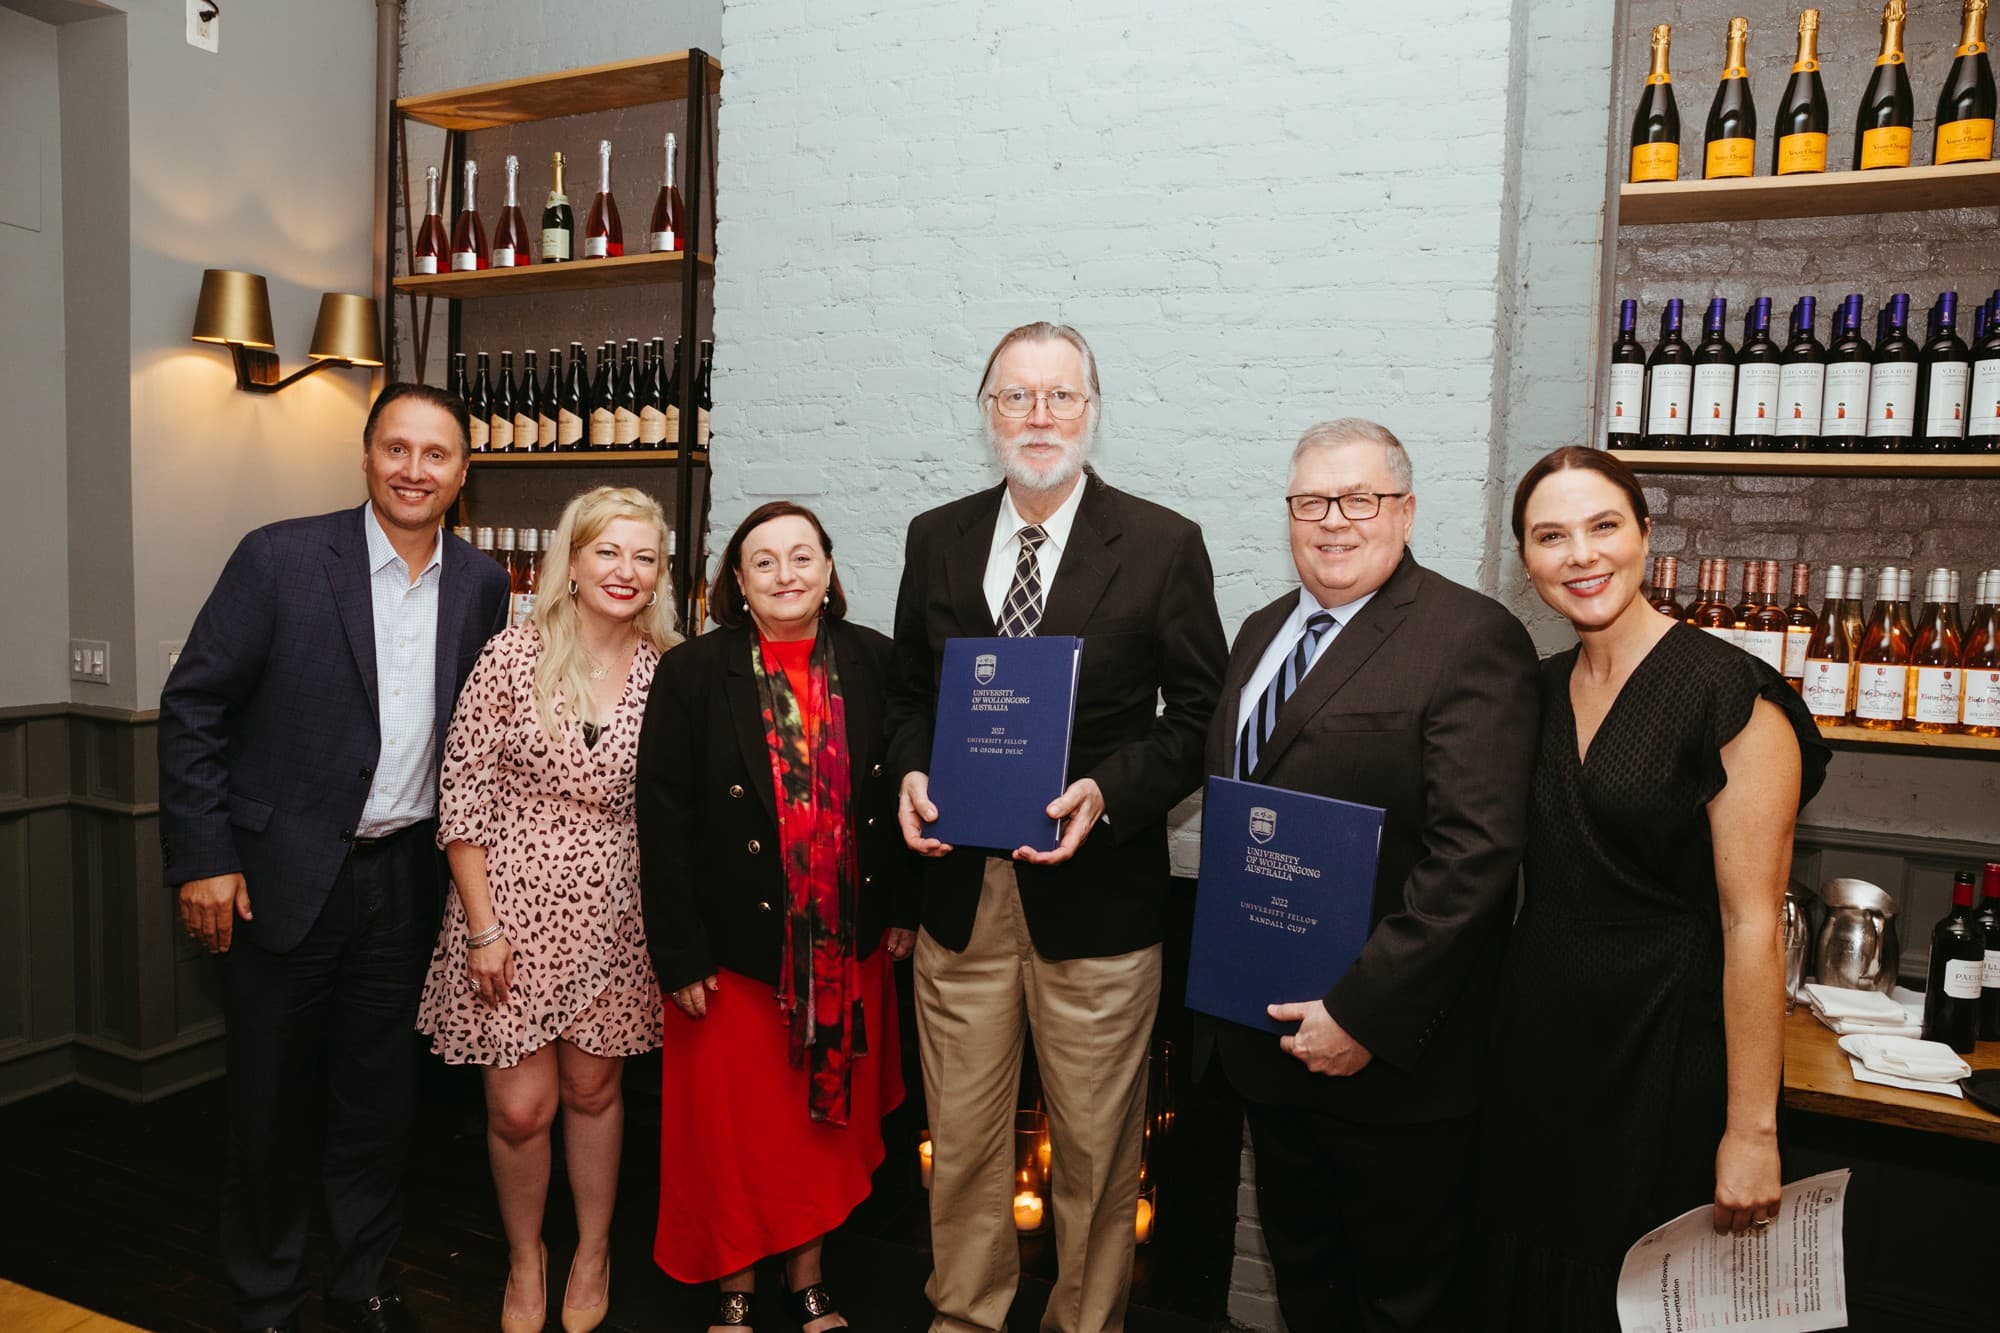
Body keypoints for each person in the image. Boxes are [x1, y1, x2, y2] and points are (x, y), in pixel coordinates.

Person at [887, 322, 1227, 1333]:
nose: (1038, 418)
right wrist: (909, 767)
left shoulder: (1163, 543)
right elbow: (910, 695)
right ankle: (964, 1315)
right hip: (961, 897)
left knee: (1093, 1150)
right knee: (962, 1140)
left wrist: (1108, 792)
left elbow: (1200, 715)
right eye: (1016, 397)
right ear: (985, 411)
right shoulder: (933, 536)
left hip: (1097, 890)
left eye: (1059, 396)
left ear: (1091, 409)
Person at [157, 384, 511, 1333]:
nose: (414, 470)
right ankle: (265, 1298)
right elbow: (193, 705)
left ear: (463, 474)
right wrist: (203, 855)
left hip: (406, 882)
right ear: (365, 457)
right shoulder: (279, 556)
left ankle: (362, 1280)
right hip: (279, 879)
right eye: (396, 449)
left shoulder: (481, 584)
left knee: (377, 1102)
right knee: (270, 1108)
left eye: (436, 455)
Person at [1192, 419, 1540, 1332]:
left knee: (1400, 1306)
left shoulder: (1471, 636)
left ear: (1407, 509)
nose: (1333, 521)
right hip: (1271, 1049)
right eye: (1311, 500)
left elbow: (1476, 855)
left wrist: (1362, 1016)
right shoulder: (1262, 630)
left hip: (1391, 1068)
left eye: (1360, 499)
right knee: (1310, 1288)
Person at [1479, 446, 1829, 1330]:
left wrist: (1751, 1132)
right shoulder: (1540, 685)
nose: (1581, 555)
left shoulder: (1732, 696)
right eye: (1551, 536)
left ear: (1645, 533)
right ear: (1527, 561)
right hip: (1540, 1040)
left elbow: (1753, 922)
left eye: (1603, 526)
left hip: (1664, 1052)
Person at [637, 501, 917, 1333]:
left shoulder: (877, 662)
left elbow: (903, 789)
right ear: (738, 582)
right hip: (733, 953)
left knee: (816, 1131)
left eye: (803, 557)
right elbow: (662, 819)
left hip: (844, 950)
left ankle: (810, 1280)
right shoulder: (693, 672)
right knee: (733, 1134)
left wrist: (903, 906)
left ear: (829, 571)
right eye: (765, 561)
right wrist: (678, 952)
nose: (786, 574)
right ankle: (733, 1284)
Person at [415, 486, 677, 1333]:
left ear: (660, 573)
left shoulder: (670, 671)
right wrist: (483, 927)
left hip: (616, 914)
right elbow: (462, 796)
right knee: (519, 1108)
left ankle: (592, 1250)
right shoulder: (511, 655)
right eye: (608, 551)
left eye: (643, 556)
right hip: (509, 917)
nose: (624, 571)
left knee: (597, 1092)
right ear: (573, 558)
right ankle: (526, 1259)